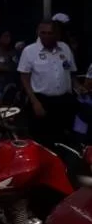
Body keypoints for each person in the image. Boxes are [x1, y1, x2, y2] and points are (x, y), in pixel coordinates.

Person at [17, 20, 85, 148]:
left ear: (56, 34)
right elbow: (24, 77)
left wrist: (78, 86)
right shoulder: (29, 51)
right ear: (38, 33)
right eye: (43, 33)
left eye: (50, 33)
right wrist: (35, 102)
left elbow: (70, 71)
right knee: (43, 141)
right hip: (42, 101)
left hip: (64, 101)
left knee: (65, 139)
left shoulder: (64, 48)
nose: (47, 36)